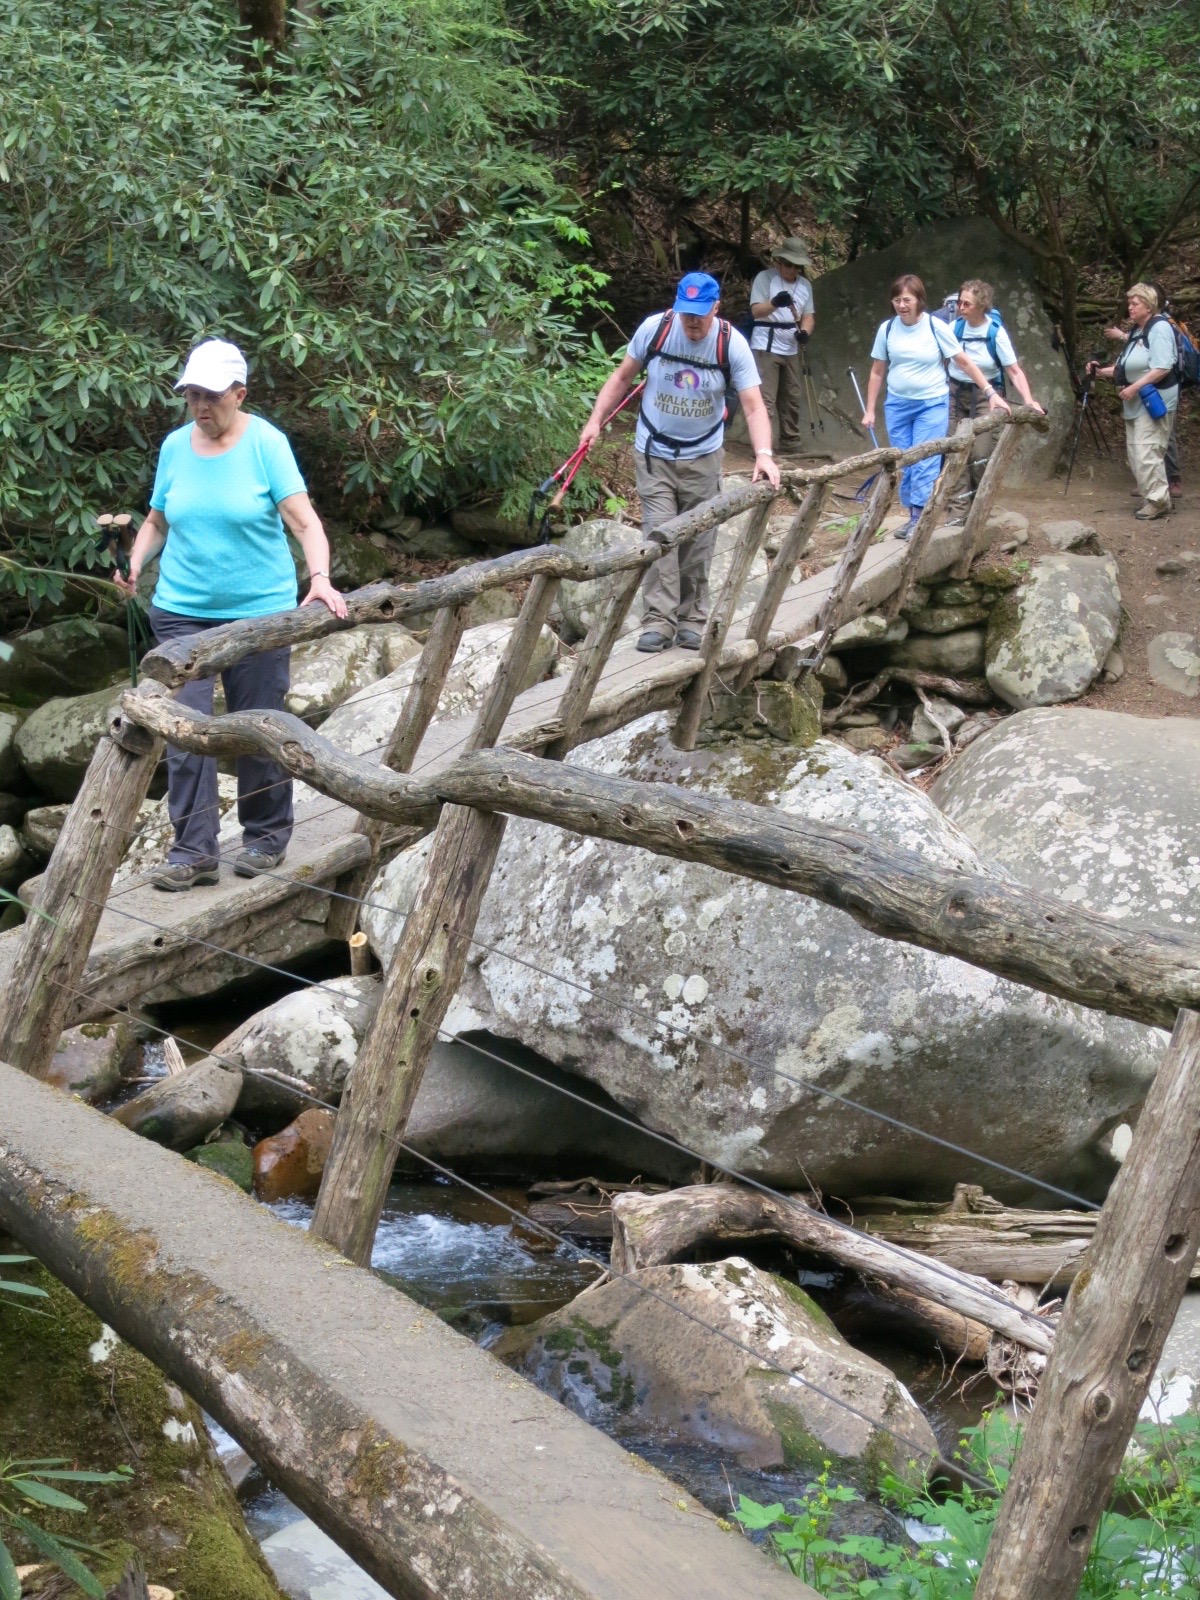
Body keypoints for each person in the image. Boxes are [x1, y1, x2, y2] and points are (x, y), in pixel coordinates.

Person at [115, 339, 348, 890]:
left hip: (259, 614)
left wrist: (319, 580)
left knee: (259, 724)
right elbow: (156, 521)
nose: (200, 406)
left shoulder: (267, 444)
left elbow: (305, 523)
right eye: (192, 395)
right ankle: (192, 852)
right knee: (186, 730)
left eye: (212, 396)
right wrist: (134, 560)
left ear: (239, 394)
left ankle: (266, 837)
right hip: (180, 614)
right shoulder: (175, 447)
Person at [578, 271, 781, 654]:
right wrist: (594, 420)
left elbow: (754, 407)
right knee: (658, 536)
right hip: (653, 452)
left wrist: (764, 456)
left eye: (699, 315)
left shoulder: (730, 344)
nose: (691, 322)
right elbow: (622, 378)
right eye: (685, 312)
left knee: (699, 541)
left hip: (703, 456)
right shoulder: (656, 329)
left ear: (716, 309)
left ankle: (692, 620)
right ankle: (658, 620)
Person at [860, 274, 1010, 540]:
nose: (901, 305)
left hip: (931, 403)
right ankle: (912, 514)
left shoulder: (935, 327)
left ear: (919, 300)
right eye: (897, 300)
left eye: (907, 299)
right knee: (904, 460)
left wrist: (990, 392)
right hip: (897, 404)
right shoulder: (887, 329)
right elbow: (877, 371)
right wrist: (870, 409)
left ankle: (919, 518)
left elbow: (963, 362)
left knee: (925, 459)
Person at [949, 279, 1044, 510]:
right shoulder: (954, 329)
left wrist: (1029, 400)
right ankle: (957, 511)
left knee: (979, 454)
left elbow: (1013, 370)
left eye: (967, 304)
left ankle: (980, 507)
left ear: (982, 305)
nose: (961, 308)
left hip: (986, 397)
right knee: (954, 453)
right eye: (960, 302)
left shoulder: (995, 333)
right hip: (953, 394)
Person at [1089, 283, 1178, 521]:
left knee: (1147, 450)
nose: (1130, 307)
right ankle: (1153, 497)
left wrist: (1135, 387)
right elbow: (1126, 367)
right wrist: (1099, 372)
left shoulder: (1159, 329)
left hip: (1154, 401)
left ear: (1148, 306)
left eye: (1135, 303)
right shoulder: (1139, 331)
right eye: (1129, 303)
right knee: (1136, 452)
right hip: (1137, 402)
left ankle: (1158, 501)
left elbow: (1162, 367)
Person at [747, 237, 816, 450]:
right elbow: (756, 311)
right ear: (778, 261)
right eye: (788, 264)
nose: (792, 269)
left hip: (791, 345)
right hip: (766, 344)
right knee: (765, 398)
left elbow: (809, 315)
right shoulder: (764, 279)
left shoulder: (805, 286)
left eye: (797, 266)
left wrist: (805, 331)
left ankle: (790, 441)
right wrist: (775, 302)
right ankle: (763, 446)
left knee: (792, 397)